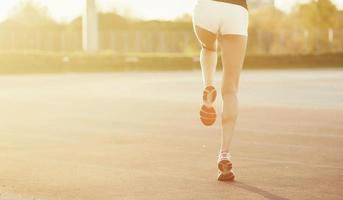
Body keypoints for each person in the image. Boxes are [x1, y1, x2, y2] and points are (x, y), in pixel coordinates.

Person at [193, 0, 249, 181]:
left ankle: (208, 84)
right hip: (236, 10)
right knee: (230, 89)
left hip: (207, 8)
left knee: (208, 48)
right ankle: (224, 154)